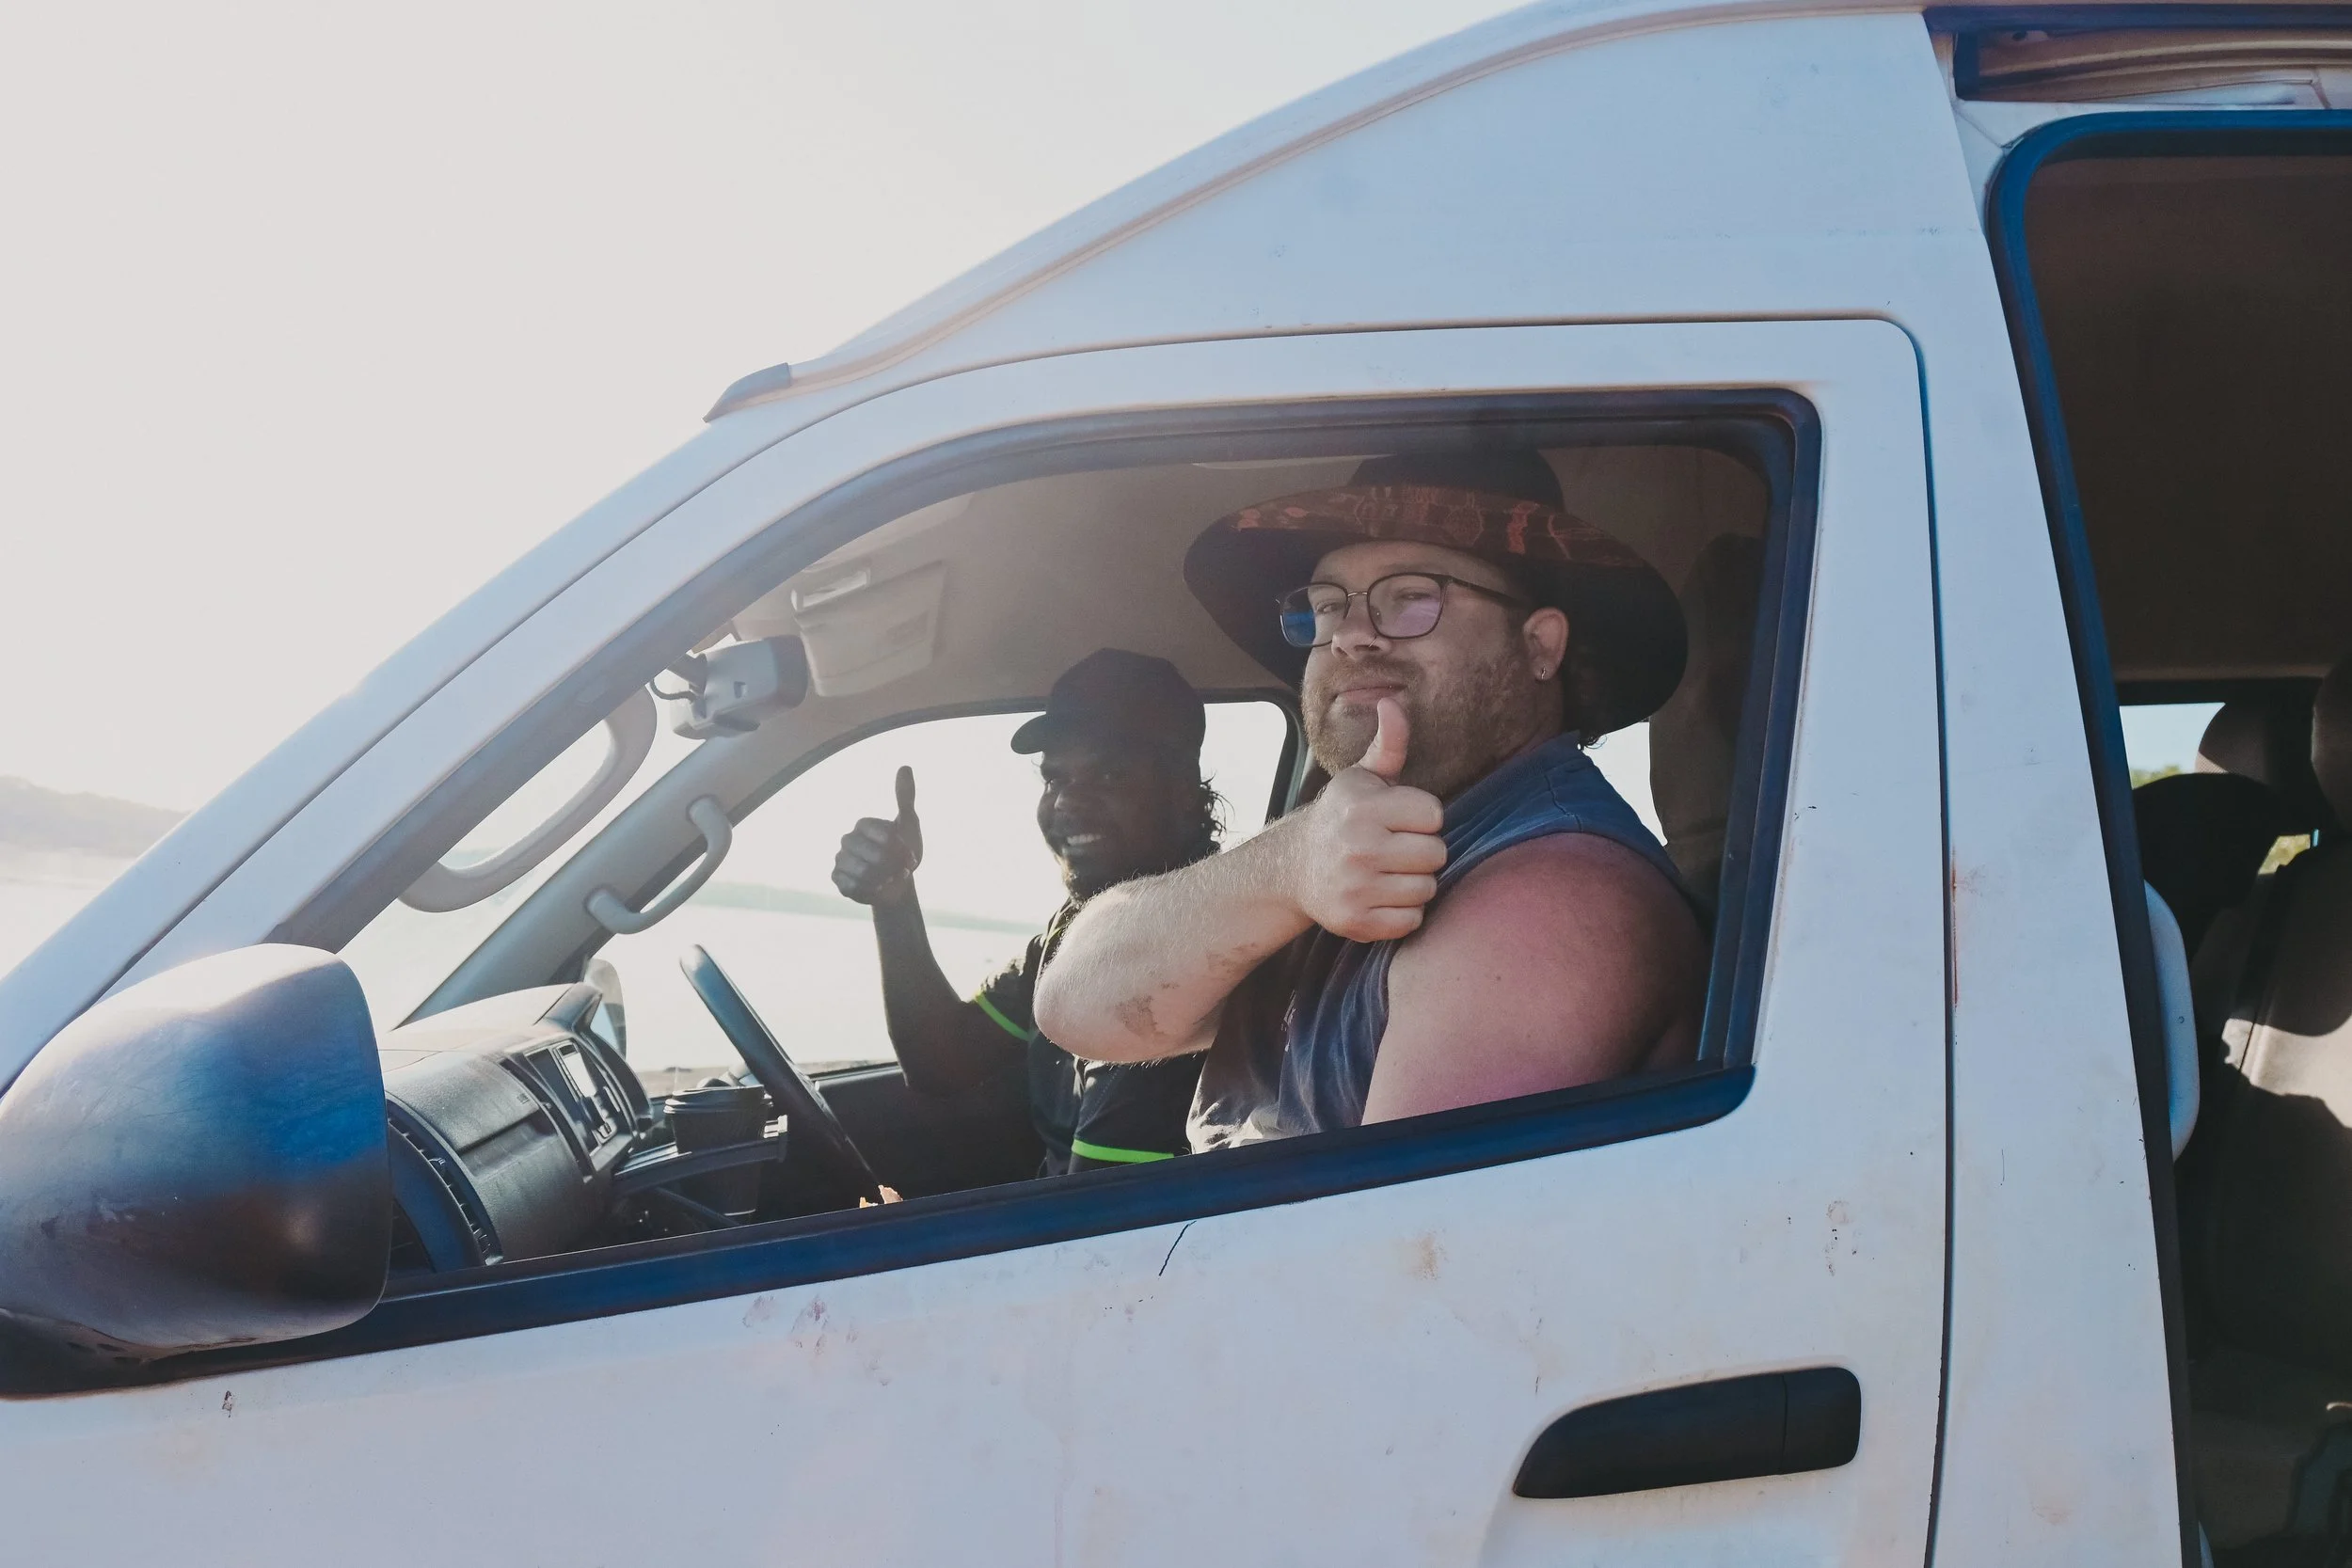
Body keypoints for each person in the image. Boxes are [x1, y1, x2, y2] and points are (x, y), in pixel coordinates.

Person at [1033, 452, 1707, 1144]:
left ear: (1539, 645)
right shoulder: (1340, 848)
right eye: (1328, 606)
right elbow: (1074, 1009)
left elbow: (1395, 1240)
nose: (1352, 635)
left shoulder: (1560, 897)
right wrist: (1291, 864)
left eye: (1412, 596)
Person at [831, 648, 1219, 1173]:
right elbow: (941, 1063)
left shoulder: (1186, 957)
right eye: (1054, 779)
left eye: (1110, 777)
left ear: (1184, 792)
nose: (1067, 804)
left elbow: (1102, 1226)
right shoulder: (1081, 924)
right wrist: (894, 898)